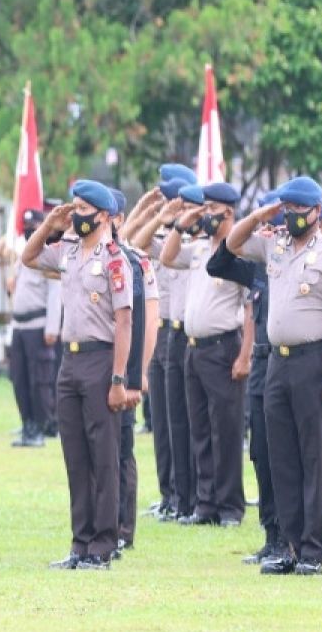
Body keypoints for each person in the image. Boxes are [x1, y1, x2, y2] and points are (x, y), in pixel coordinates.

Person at [228, 176, 322, 576]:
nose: (293, 216)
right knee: (281, 457)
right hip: (277, 365)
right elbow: (232, 243)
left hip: (313, 361)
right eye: (288, 209)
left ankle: (313, 551)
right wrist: (261, 214)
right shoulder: (275, 243)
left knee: (313, 457)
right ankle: (290, 546)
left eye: (300, 210)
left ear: (317, 212)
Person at [23, 180, 132, 570]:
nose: (77, 215)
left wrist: (119, 379)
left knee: (103, 456)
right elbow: (29, 257)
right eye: (74, 208)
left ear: (103, 215)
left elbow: (124, 323)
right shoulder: (68, 250)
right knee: (75, 456)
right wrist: (51, 221)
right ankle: (80, 542)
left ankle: (102, 545)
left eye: (84, 209)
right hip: (68, 362)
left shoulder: (116, 259)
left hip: (101, 360)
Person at [160, 182, 252, 527]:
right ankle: (206, 503)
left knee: (225, 430)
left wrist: (244, 356)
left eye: (212, 209)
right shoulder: (199, 249)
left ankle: (230, 507)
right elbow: (168, 257)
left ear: (229, 213)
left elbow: (250, 310)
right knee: (199, 428)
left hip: (223, 347)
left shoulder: (238, 252)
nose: (207, 215)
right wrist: (183, 224)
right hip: (194, 350)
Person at [207, 191, 282, 563]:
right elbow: (217, 262)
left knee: (287, 455)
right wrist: (251, 221)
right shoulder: (257, 266)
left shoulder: (298, 262)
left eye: (270, 225)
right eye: (262, 226)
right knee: (262, 454)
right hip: (262, 365)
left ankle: (294, 537)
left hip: (288, 362)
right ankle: (273, 536)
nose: (264, 233)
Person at [132, 171, 199, 521]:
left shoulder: (196, 243)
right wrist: (153, 213)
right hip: (161, 335)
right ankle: (170, 494)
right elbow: (131, 241)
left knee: (184, 423)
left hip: (185, 335)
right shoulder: (165, 236)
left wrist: (174, 222)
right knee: (163, 421)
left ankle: (187, 496)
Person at [106, 188, 158, 555]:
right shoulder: (86, 257)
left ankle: (123, 528)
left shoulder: (135, 262)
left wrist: (136, 375)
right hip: (91, 364)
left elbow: (147, 322)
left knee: (122, 449)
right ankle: (101, 522)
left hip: (122, 369)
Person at [3, 209, 62, 447]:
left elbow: (55, 293)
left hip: (38, 327)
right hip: (19, 325)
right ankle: (27, 423)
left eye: (33, 226)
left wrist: (52, 328)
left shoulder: (47, 256)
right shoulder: (21, 257)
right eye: (26, 226)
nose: (29, 230)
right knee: (19, 379)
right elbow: (16, 291)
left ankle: (41, 425)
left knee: (40, 381)